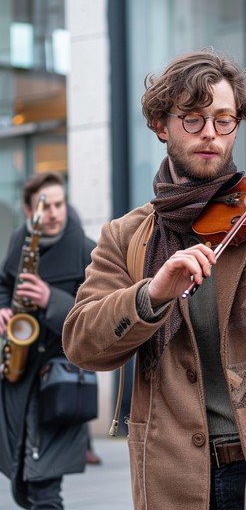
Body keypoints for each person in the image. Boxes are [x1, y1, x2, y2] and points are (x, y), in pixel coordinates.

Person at [62, 48, 246, 510]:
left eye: (224, 119)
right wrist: (151, 294)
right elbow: (81, 344)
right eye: (193, 119)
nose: (211, 134)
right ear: (161, 125)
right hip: (173, 474)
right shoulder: (127, 236)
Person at [0, 172, 96, 509]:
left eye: (60, 203)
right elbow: (4, 281)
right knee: (24, 481)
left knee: (43, 489)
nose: (55, 212)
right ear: (30, 212)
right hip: (20, 375)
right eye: (47, 206)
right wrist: (2, 308)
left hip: (60, 380)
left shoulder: (87, 250)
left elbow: (98, 314)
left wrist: (49, 299)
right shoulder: (20, 240)